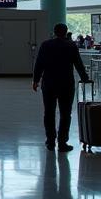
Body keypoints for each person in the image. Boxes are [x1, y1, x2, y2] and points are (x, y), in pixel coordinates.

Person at [32, 23, 91, 152]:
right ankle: (62, 142)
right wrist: (84, 78)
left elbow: (39, 63)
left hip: (49, 83)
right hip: (66, 83)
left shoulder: (46, 45)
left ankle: (50, 142)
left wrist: (35, 80)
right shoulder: (71, 45)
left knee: (49, 113)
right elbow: (78, 63)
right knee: (65, 114)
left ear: (54, 32)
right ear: (66, 32)